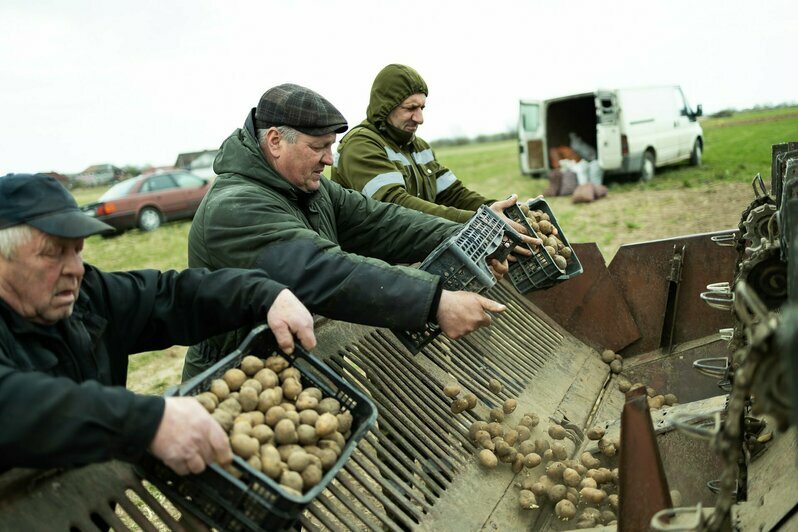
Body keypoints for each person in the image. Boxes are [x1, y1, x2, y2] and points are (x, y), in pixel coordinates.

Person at [184, 83, 531, 381]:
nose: (330, 159)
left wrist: (473, 231)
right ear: (275, 141)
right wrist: (434, 301)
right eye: (318, 147)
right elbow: (322, 270)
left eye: (330, 146)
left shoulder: (310, 189)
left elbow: (382, 221)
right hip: (240, 377)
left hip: (303, 358)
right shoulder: (236, 208)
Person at [0, 173, 317, 476]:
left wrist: (263, 293)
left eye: (78, 250)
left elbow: (171, 297)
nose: (76, 269)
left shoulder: (87, 296)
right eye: (54, 253)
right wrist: (144, 422)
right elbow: (13, 403)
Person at [331, 64, 499, 223]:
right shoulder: (360, 146)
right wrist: (480, 220)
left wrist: (499, 210)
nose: (420, 119)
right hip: (374, 250)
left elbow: (453, 194)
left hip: (416, 241)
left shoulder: (420, 147)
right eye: (411, 108)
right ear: (385, 107)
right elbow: (395, 205)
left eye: (422, 108)